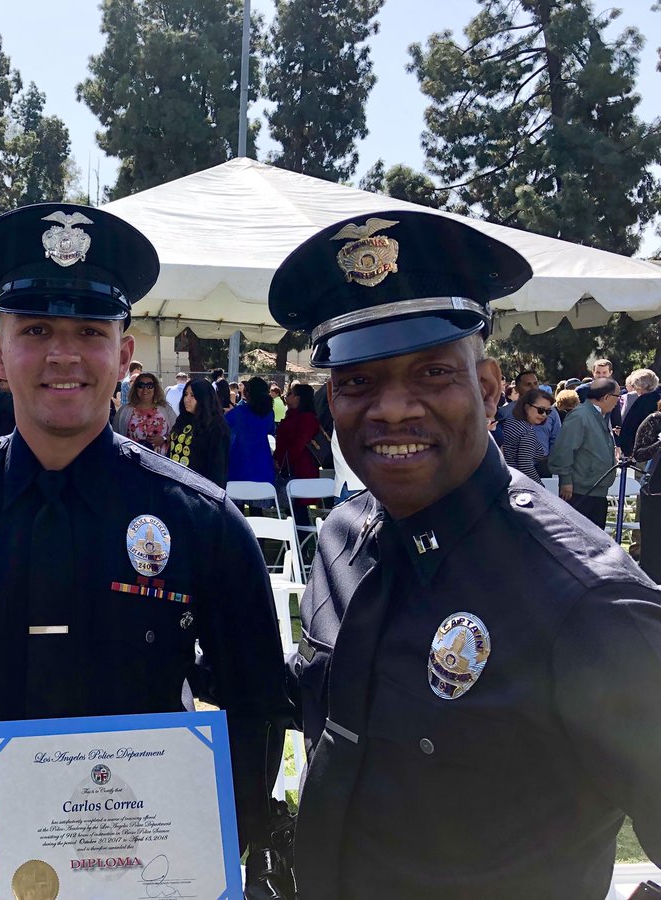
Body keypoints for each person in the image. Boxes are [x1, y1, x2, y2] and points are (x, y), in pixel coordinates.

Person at [0, 202, 291, 900]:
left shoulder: (199, 522)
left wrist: (209, 843)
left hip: (142, 871)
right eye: (35, 329)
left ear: (124, 356)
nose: (62, 353)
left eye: (89, 331)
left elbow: (256, 708)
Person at [270, 208, 660, 899]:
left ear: (486, 388)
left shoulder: (584, 600)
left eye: (430, 373)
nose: (391, 408)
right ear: (334, 400)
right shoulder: (342, 538)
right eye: (358, 382)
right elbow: (336, 695)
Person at [549, 377, 619, 527]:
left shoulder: (598, 415)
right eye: (617, 396)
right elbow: (564, 449)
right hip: (580, 492)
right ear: (606, 397)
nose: (618, 401)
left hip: (596, 490)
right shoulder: (580, 415)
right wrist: (566, 480)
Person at [168, 377, 231, 487]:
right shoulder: (182, 419)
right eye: (186, 394)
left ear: (204, 398)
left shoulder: (216, 427)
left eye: (193, 395)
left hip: (200, 490)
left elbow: (218, 467)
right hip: (175, 485)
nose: (187, 399)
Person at [273, 382, 322, 523]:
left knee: (299, 509)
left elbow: (299, 444)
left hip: (300, 469)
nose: (286, 396)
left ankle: (302, 542)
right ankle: (297, 540)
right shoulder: (292, 416)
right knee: (291, 509)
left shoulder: (307, 418)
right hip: (288, 466)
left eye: (290, 394)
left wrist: (283, 463)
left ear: (298, 398)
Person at [225, 375, 277, 488]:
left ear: (247, 393)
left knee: (237, 502)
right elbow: (271, 430)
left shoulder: (238, 412)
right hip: (262, 463)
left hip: (239, 462)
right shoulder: (269, 413)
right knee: (259, 500)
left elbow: (223, 427)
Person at [498, 387, 552, 484]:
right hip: (514, 483)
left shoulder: (511, 421)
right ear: (527, 407)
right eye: (541, 410)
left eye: (548, 411)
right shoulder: (526, 432)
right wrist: (541, 489)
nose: (544, 415)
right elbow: (526, 467)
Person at [112, 370, 175, 452]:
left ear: (155, 388)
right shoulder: (124, 411)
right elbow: (115, 437)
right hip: (132, 462)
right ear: (135, 388)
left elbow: (178, 434)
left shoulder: (166, 410)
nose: (145, 389)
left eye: (149, 386)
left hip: (161, 461)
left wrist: (164, 439)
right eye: (141, 385)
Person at [633, 410, 661, 581]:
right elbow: (639, 453)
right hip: (655, 492)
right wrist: (659, 444)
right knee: (653, 541)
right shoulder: (655, 420)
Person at [619, 368, 660, 456]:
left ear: (640, 386)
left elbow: (632, 424)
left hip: (643, 450)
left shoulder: (643, 402)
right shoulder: (658, 398)